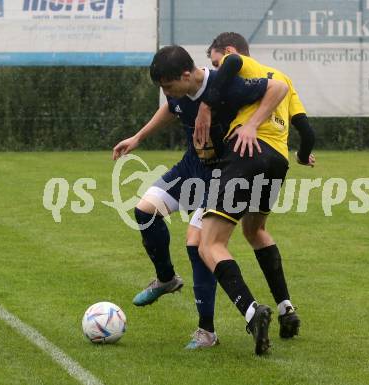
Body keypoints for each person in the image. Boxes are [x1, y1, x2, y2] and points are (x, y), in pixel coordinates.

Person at [112, 45, 286, 352]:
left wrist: (252, 124)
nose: (168, 93)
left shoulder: (224, 84)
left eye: (169, 86)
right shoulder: (177, 93)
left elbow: (277, 88)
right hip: (191, 167)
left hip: (221, 174)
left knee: (197, 246)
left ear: (187, 74)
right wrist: (139, 137)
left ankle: (206, 332)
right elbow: (171, 107)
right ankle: (166, 279)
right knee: (144, 211)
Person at [193, 32, 316, 343]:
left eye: (216, 62)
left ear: (230, 51)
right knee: (255, 230)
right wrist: (302, 155)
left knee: (209, 244)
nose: (218, 70)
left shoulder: (241, 63)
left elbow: (233, 62)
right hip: (277, 159)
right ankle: (287, 308)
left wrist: (207, 106)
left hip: (245, 152)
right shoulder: (284, 77)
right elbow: (307, 130)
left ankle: (252, 313)